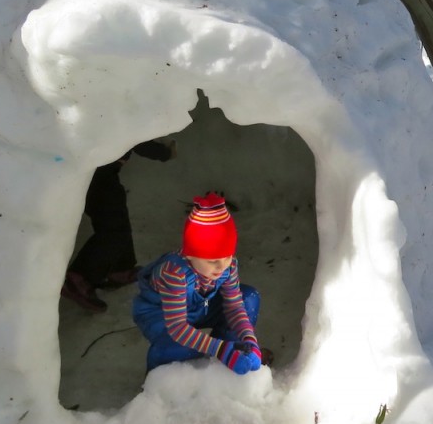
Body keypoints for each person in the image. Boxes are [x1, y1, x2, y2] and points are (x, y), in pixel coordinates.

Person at [132, 193, 274, 373]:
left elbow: (234, 305)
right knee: (176, 344)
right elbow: (177, 327)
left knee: (248, 298)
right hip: (162, 314)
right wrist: (220, 349)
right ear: (190, 254)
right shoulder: (174, 272)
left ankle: (232, 352)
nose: (221, 266)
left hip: (200, 307)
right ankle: (159, 381)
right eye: (212, 260)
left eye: (227, 256)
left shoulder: (227, 265)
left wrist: (249, 339)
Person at [61, 139, 176, 312]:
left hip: (104, 173)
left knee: (118, 218)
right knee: (112, 228)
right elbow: (136, 137)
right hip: (92, 175)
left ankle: (119, 268)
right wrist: (165, 153)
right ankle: (78, 278)